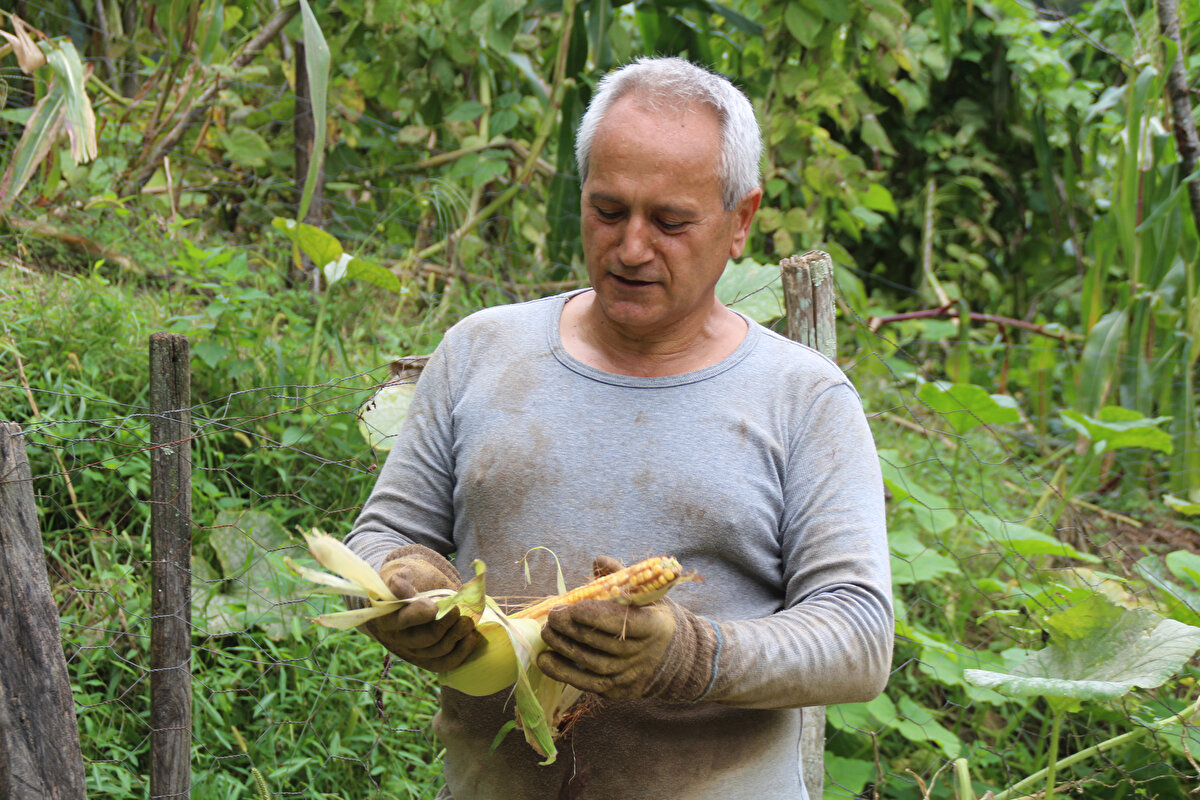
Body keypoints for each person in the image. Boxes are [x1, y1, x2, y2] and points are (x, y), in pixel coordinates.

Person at [345, 56, 893, 800]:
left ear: (740, 222)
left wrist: (689, 656)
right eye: (608, 212)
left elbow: (858, 640)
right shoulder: (481, 351)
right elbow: (379, 536)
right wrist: (399, 587)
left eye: (670, 222)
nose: (632, 248)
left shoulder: (804, 400)